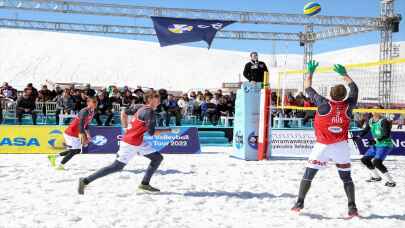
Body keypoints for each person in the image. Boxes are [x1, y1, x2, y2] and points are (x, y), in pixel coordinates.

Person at [291, 60, 359, 218]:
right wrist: (345, 75)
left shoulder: (323, 104)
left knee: (309, 174)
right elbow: (354, 89)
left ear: (330, 94)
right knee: (346, 178)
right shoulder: (349, 105)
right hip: (341, 145)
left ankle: (299, 202)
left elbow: (307, 87)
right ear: (344, 96)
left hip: (322, 145)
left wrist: (310, 72)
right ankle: (352, 208)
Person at [77, 91, 165, 194]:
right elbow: (151, 133)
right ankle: (85, 180)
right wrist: (168, 130)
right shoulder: (148, 111)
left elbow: (124, 112)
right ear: (150, 99)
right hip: (131, 143)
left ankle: (145, 184)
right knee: (116, 166)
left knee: (158, 158)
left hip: (137, 141)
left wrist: (127, 128)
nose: (159, 101)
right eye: (157, 98)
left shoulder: (141, 107)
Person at [47, 97, 97, 170]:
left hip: (76, 133)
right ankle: (60, 166)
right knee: (74, 151)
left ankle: (53, 157)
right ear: (88, 103)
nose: (96, 103)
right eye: (94, 102)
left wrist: (88, 135)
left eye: (96, 102)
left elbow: (86, 125)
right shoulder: (84, 111)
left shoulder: (92, 112)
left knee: (77, 150)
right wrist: (83, 135)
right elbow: (81, 124)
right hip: (71, 132)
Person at [357, 106, 396, 187]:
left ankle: (391, 182)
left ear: (380, 112)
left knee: (377, 162)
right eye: (373, 110)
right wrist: (358, 136)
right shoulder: (370, 120)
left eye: (376, 110)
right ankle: (376, 177)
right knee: (365, 159)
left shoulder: (383, 121)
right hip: (377, 144)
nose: (374, 111)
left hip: (385, 144)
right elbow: (365, 130)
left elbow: (386, 134)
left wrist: (375, 140)